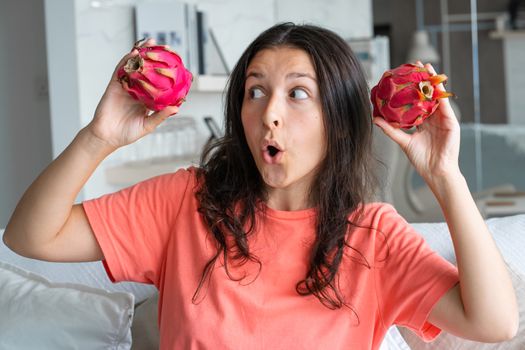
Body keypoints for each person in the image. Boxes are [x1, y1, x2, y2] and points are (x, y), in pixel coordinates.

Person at [3, 23, 518, 349]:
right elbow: (31, 237)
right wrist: (99, 138)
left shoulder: (374, 235)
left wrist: (445, 178)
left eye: (298, 93)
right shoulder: (185, 202)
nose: (268, 113)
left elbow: (495, 324)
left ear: (337, 120)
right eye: (255, 91)